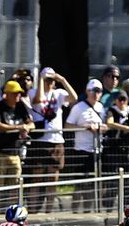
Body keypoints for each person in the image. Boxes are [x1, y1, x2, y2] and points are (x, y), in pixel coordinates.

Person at [27, 68, 77, 213]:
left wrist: (62, 79)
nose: (50, 82)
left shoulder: (59, 94)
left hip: (56, 140)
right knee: (37, 178)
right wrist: (42, 80)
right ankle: (32, 210)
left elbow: (73, 98)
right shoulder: (33, 92)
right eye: (47, 79)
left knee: (52, 180)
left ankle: (48, 210)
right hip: (40, 140)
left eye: (51, 79)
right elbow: (38, 101)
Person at [65, 79, 105, 211]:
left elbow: (105, 124)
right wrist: (84, 127)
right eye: (93, 91)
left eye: (99, 91)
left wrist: (103, 128)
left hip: (97, 149)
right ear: (88, 92)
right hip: (81, 149)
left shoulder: (101, 107)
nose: (96, 94)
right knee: (80, 183)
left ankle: (88, 210)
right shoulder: (79, 107)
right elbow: (67, 126)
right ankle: (75, 210)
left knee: (92, 183)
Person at [0, 80, 33, 188]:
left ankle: (11, 205)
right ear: (7, 94)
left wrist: (27, 127)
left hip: (15, 153)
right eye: (15, 93)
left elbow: (31, 123)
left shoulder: (20, 106)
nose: (18, 95)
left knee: (14, 186)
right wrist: (18, 128)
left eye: (19, 93)